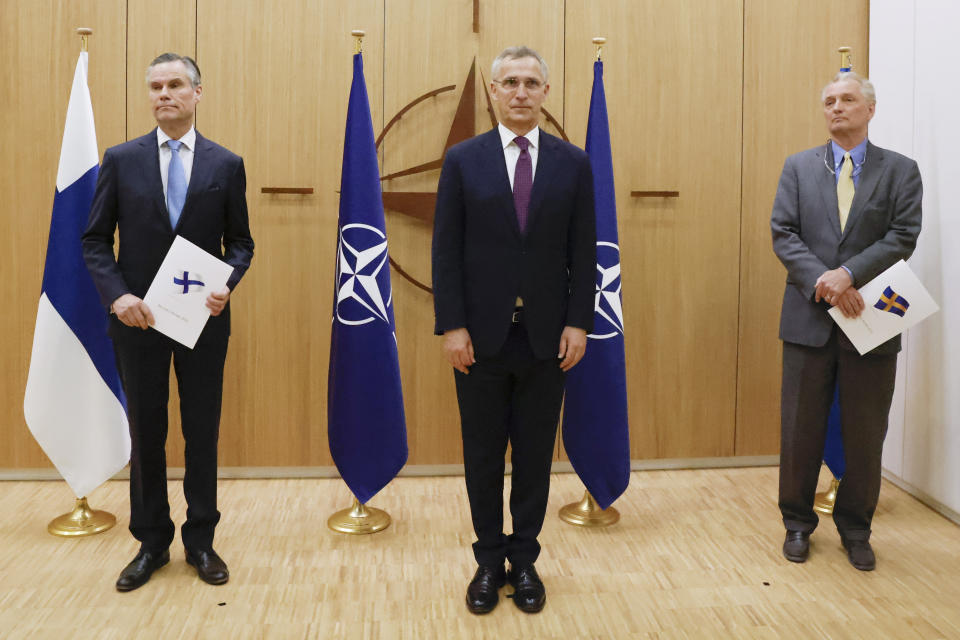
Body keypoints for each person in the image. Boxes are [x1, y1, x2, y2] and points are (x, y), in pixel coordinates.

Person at [432, 46, 596, 613]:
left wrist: (579, 322)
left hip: (549, 337)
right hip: (479, 338)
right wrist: (451, 325)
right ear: (494, 92)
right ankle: (487, 561)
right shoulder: (462, 160)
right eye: (509, 83)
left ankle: (524, 559)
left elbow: (584, 250)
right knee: (482, 454)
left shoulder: (573, 163)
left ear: (545, 93)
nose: (521, 92)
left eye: (531, 83)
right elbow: (445, 251)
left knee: (532, 454)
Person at [82, 53, 254, 591]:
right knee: (148, 432)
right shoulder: (121, 159)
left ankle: (201, 540)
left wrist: (229, 282)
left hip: (202, 322)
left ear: (197, 93)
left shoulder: (225, 164)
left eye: (175, 85)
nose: (164, 94)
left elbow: (241, 243)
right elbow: (93, 240)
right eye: (155, 86)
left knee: (201, 431)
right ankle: (151, 543)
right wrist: (118, 297)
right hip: (138, 323)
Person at [771, 71, 922, 571]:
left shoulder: (901, 170)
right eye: (829, 101)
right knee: (800, 430)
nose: (837, 108)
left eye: (848, 100)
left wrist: (849, 273)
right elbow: (784, 233)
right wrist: (826, 280)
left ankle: (857, 529)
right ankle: (797, 524)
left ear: (870, 109)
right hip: (809, 319)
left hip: (872, 321)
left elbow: (903, 235)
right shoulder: (797, 167)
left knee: (864, 430)